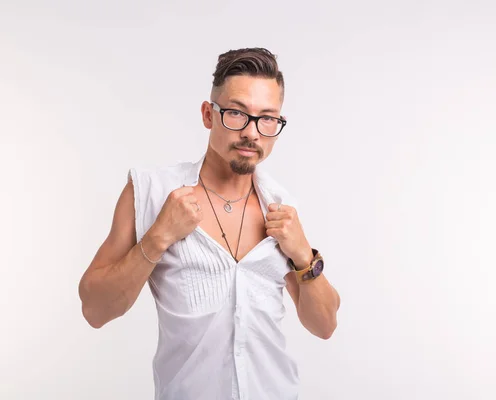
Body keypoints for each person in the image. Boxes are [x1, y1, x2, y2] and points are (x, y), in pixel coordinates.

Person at [78, 47, 341, 400]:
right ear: (208, 114)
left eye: (267, 118)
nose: (252, 133)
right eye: (236, 113)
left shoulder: (281, 208)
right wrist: (157, 239)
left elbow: (324, 325)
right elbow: (95, 309)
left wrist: (304, 257)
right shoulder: (151, 193)